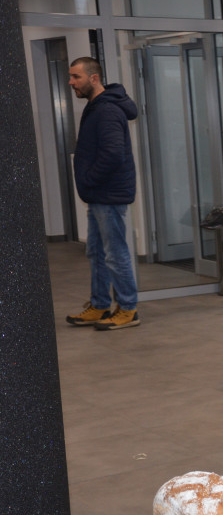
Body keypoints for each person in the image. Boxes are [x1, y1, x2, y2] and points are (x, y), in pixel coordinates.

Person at [65, 56, 141, 330]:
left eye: (76, 76)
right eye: (71, 76)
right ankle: (99, 305)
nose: (71, 82)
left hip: (107, 194)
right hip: (99, 195)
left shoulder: (107, 110)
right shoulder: (97, 107)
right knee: (96, 252)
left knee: (114, 253)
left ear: (93, 78)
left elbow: (112, 154)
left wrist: (88, 180)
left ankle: (128, 309)